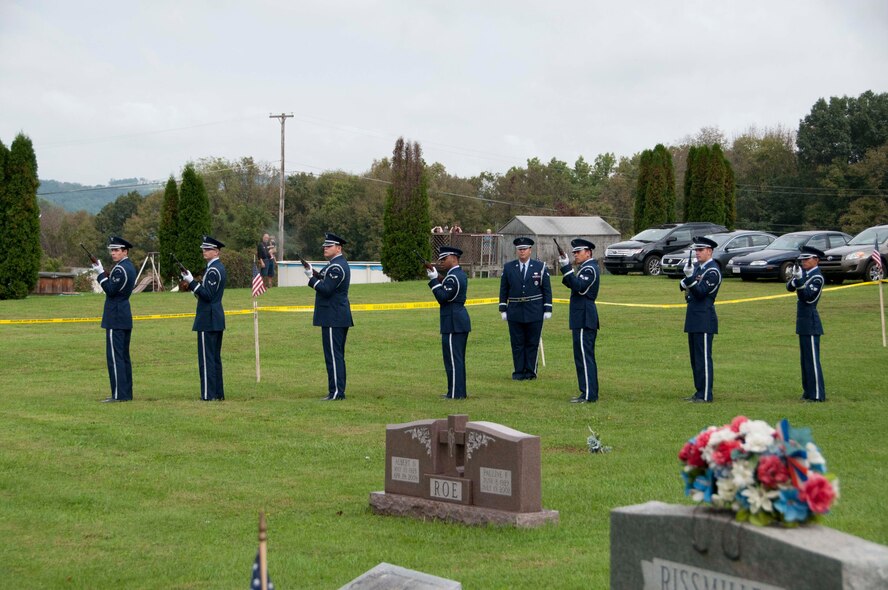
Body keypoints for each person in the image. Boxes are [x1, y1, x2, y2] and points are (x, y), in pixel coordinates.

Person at [304, 232, 353, 401]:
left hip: (334, 316)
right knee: (332, 355)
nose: (325, 248)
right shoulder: (333, 265)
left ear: (338, 248)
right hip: (333, 315)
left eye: (329, 246)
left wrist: (311, 279)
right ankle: (334, 391)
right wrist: (313, 272)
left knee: (334, 356)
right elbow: (325, 279)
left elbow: (326, 289)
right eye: (325, 245)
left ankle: (338, 392)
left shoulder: (337, 267)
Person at [499, 237, 553, 380]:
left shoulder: (539, 267)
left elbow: (546, 289)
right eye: (519, 249)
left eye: (524, 249)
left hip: (534, 310)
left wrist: (547, 309)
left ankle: (530, 372)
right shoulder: (509, 267)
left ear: (530, 250)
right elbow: (504, 289)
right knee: (517, 343)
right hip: (515, 310)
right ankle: (518, 372)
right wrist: (503, 309)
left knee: (532, 342)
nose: (522, 251)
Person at [181, 236, 227, 401]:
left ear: (216, 251)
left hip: (208, 318)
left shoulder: (214, 270)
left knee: (207, 359)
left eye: (208, 249)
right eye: (204, 249)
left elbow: (207, 295)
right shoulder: (216, 268)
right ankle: (217, 393)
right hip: (214, 317)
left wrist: (192, 282)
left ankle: (209, 394)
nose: (204, 251)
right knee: (214, 358)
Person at [93, 236, 136, 402]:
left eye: (117, 250)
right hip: (123, 314)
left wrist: (100, 273)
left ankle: (119, 395)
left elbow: (110, 290)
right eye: (112, 250)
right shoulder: (128, 267)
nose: (113, 253)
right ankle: (125, 393)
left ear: (125, 251)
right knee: (123, 356)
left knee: (115, 357)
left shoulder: (120, 269)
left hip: (116, 315)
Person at [679, 236, 722, 403]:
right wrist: (688, 280)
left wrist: (689, 280)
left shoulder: (712, 270)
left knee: (703, 357)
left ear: (709, 251)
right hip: (693, 316)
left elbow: (700, 292)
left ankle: (705, 394)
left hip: (704, 317)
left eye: (700, 250)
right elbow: (683, 286)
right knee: (695, 358)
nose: (697, 253)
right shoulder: (697, 267)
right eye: (696, 250)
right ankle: (698, 392)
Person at [426, 246, 471, 399]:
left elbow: (443, 297)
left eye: (444, 259)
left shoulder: (453, 277)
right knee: (457, 360)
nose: (441, 262)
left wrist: (433, 280)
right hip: (458, 321)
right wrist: (437, 276)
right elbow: (446, 285)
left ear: (453, 257)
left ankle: (455, 394)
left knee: (453, 360)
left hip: (453, 323)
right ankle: (458, 392)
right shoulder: (458, 275)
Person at [559, 238, 600, 403]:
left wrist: (567, 268)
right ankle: (585, 392)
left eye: (578, 252)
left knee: (585, 356)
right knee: (580, 356)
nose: (575, 254)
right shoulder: (584, 268)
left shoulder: (590, 269)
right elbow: (571, 283)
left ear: (588, 252)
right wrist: (566, 269)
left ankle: (590, 394)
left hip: (585, 316)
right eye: (574, 252)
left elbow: (579, 288)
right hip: (580, 316)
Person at [787, 246, 827, 402]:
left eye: (807, 259)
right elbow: (789, 287)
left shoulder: (817, 277)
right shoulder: (803, 274)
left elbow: (808, 298)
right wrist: (795, 278)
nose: (803, 261)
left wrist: (800, 281)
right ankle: (808, 392)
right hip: (802, 321)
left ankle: (817, 394)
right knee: (805, 361)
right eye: (802, 259)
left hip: (811, 321)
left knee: (812, 360)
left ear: (816, 260)